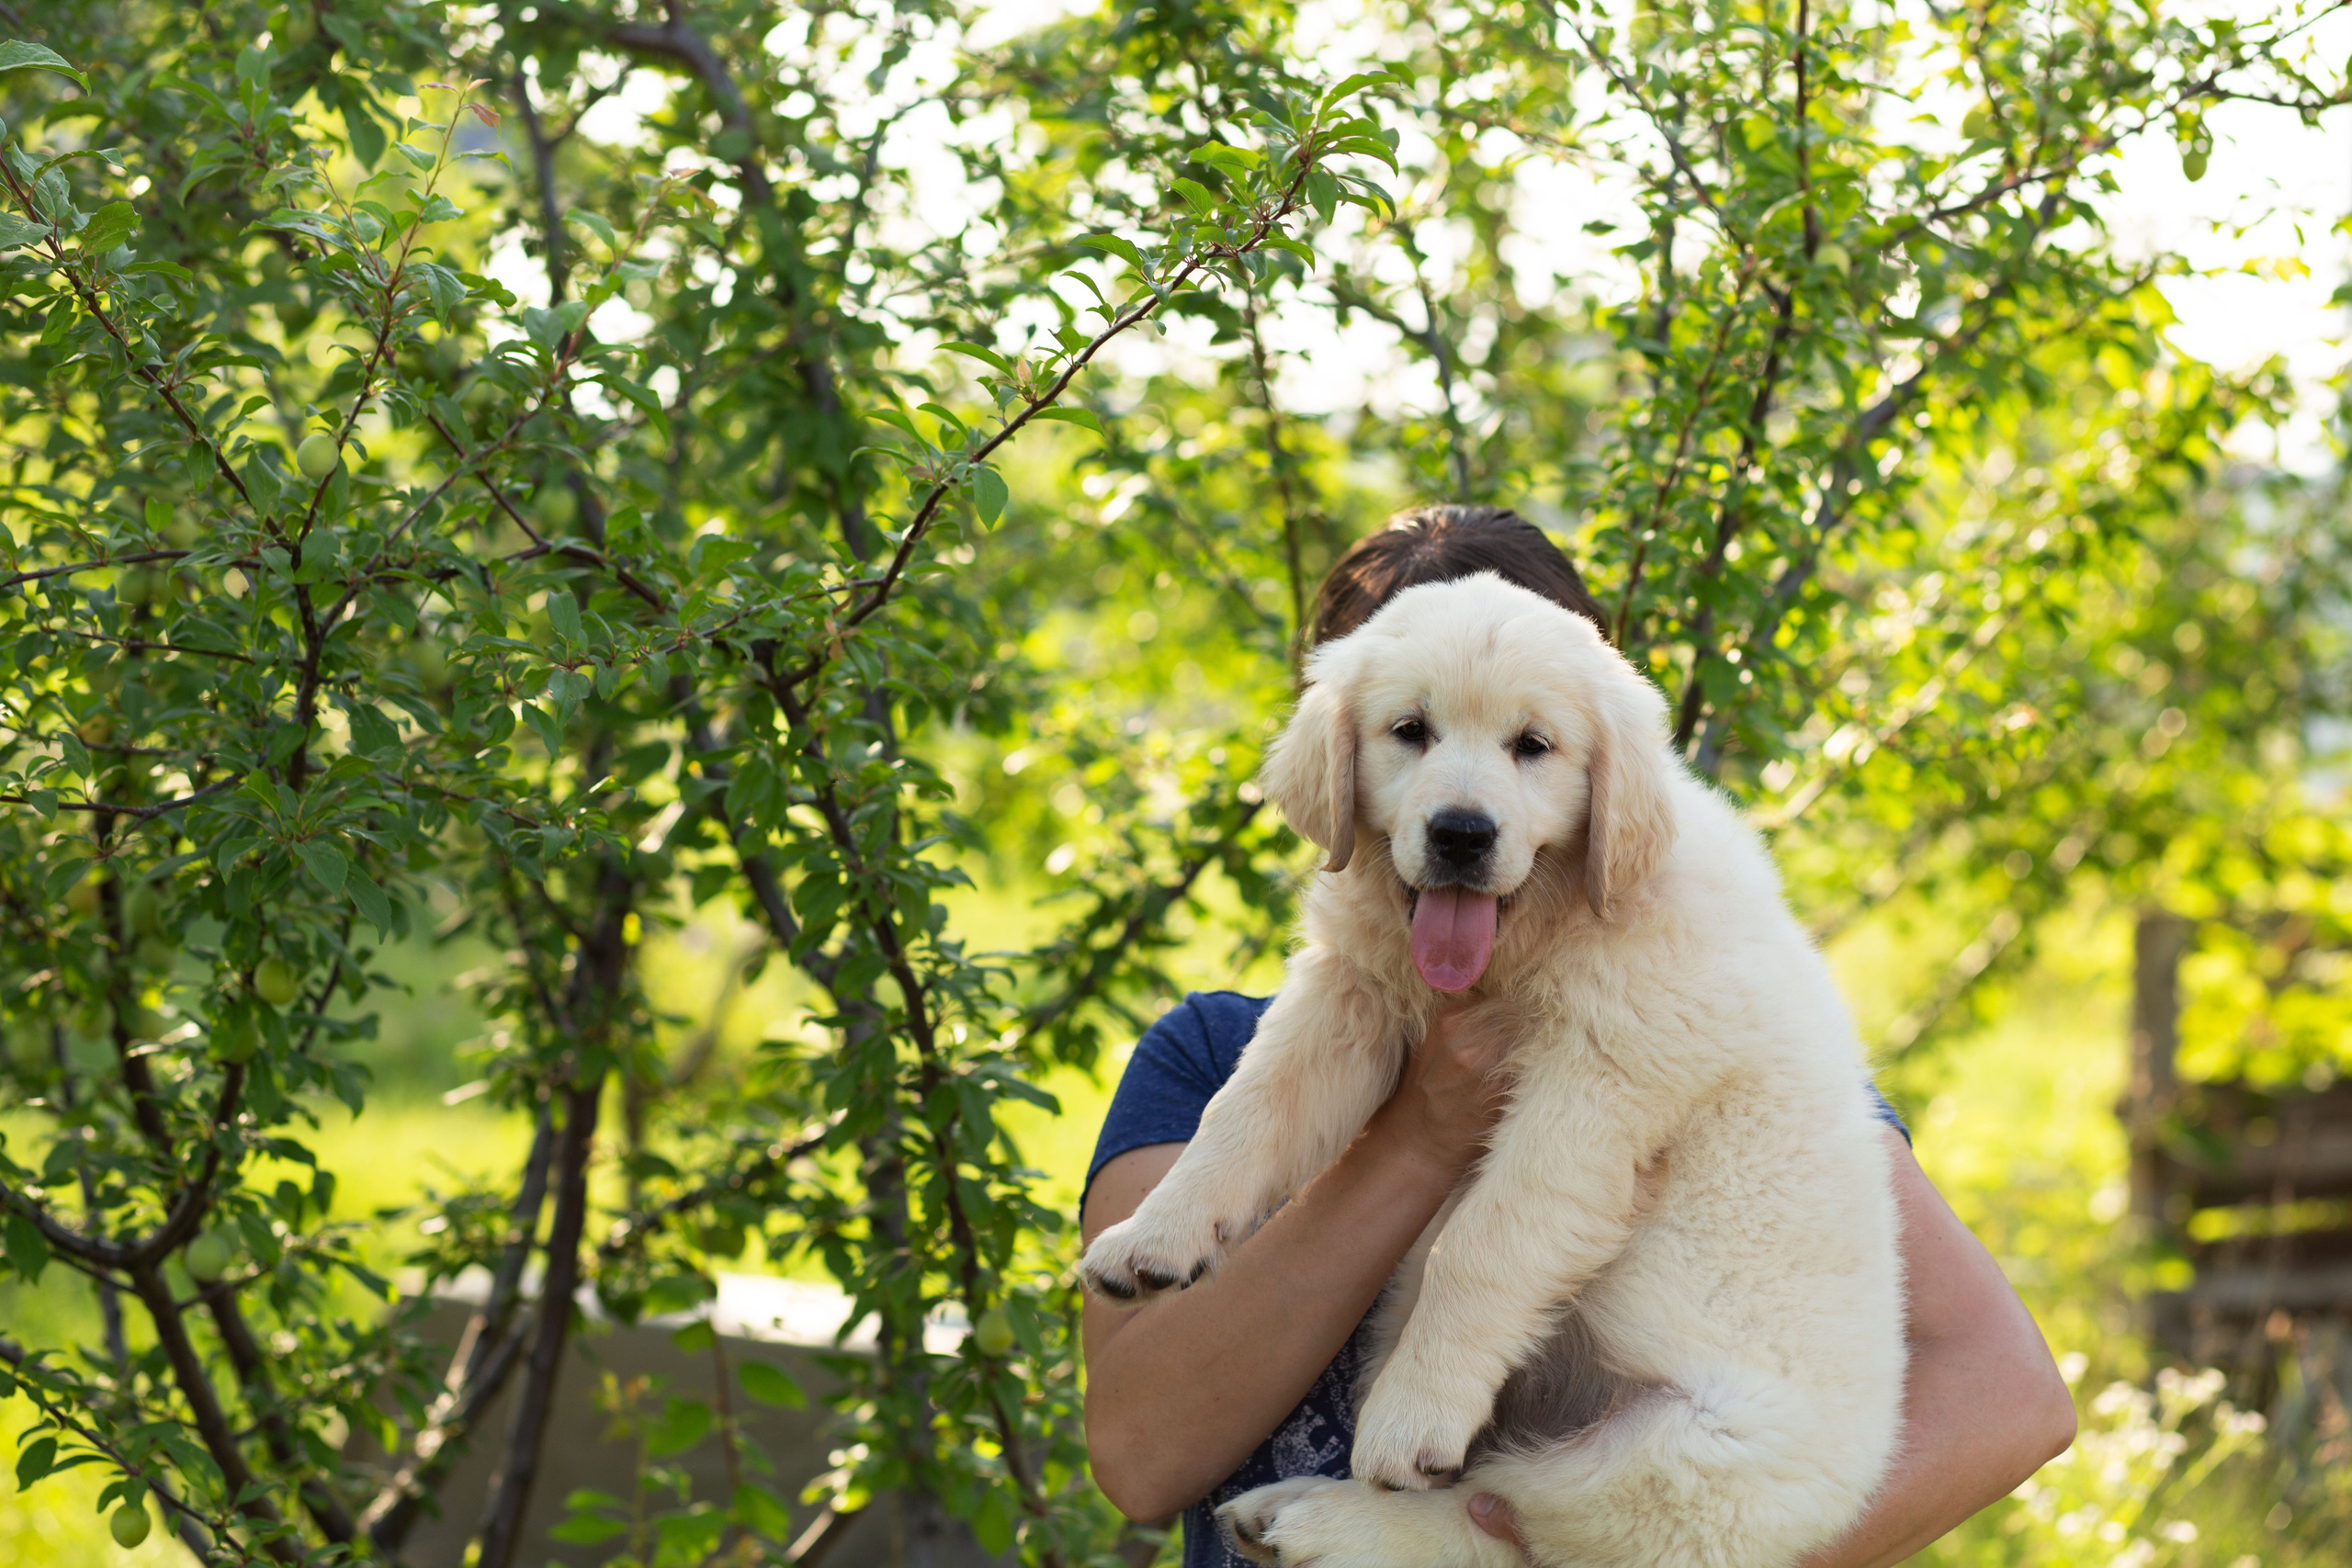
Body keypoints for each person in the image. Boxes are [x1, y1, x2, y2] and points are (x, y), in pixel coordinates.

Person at [1080, 505, 2078, 1568]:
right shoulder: (1202, 1054)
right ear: (1331, 755)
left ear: (1608, 780)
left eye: (1529, 746)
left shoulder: (1695, 959)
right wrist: (1382, 1144)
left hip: (1686, 1441)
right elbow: (1139, 1461)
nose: (1465, 804)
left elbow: (2012, 1394)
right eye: (1410, 734)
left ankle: (1463, 1547)